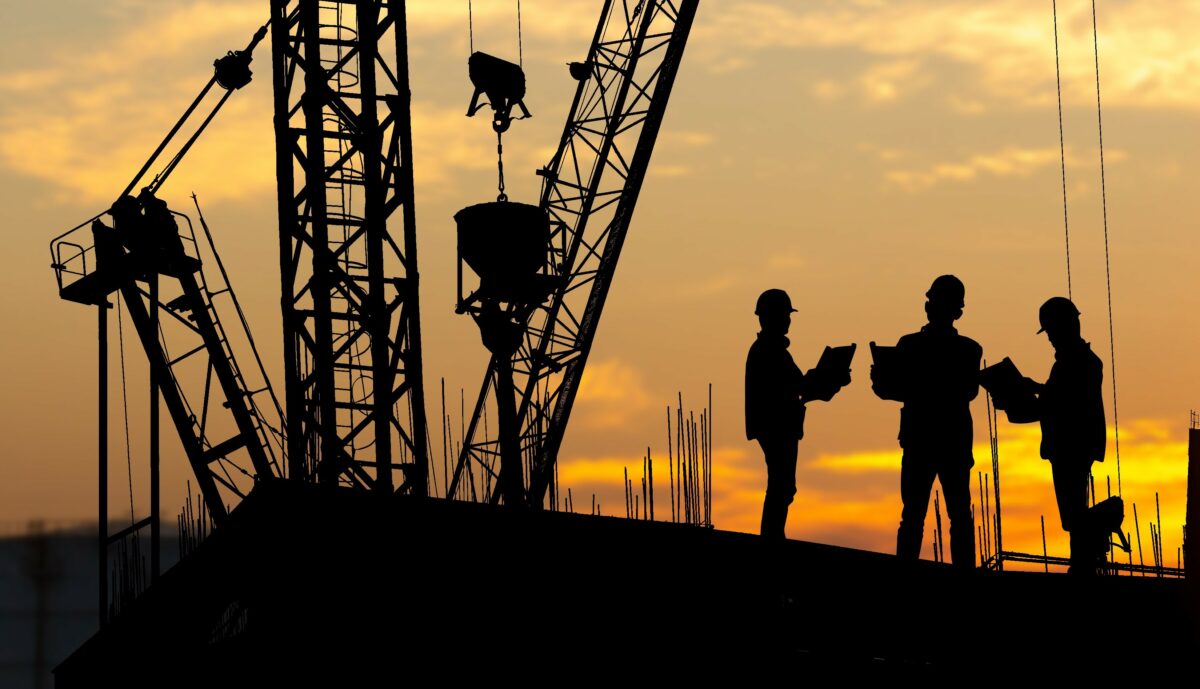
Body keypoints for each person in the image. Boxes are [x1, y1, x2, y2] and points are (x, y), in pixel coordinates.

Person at [872, 275, 981, 569]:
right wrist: (881, 379)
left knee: (935, 514)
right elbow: (893, 390)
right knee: (940, 514)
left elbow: (898, 390)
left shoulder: (915, 346)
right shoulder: (966, 350)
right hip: (943, 441)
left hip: (933, 441)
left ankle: (912, 570)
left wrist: (885, 381)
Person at [745, 288, 849, 540]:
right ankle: (771, 538)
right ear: (771, 317)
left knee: (783, 486)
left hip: (780, 425)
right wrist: (826, 379)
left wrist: (827, 382)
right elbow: (797, 387)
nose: (789, 320)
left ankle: (773, 536)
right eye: (785, 315)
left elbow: (799, 389)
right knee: (781, 486)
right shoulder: (769, 351)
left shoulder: (772, 350)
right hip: (776, 426)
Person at [1020, 297, 1107, 573]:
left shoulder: (1079, 362)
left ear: (1067, 326)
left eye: (1052, 332)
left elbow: (1061, 403)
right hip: (1071, 447)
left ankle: (1084, 563)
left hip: (1072, 447)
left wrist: (1030, 393)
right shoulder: (1077, 362)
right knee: (1073, 512)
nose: (1050, 339)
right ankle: (1082, 561)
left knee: (1074, 513)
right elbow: (1057, 399)